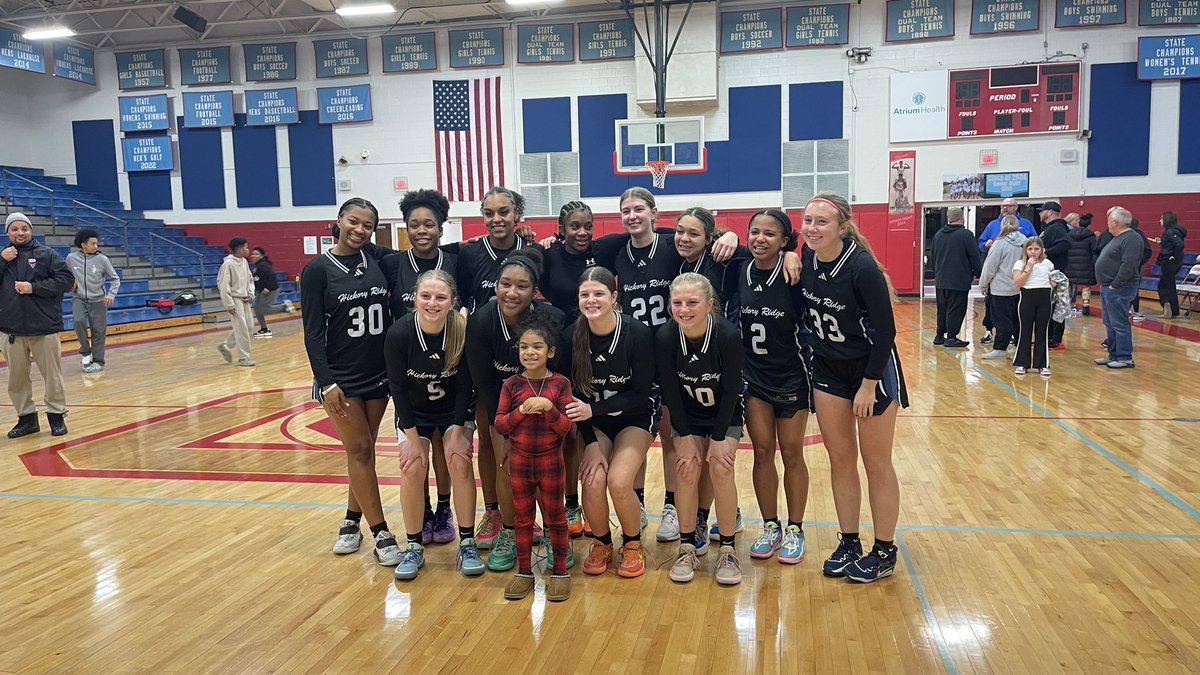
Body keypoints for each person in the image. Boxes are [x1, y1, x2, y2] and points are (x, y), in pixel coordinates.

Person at [799, 193, 909, 584]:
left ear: (842, 228)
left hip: (871, 371)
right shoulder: (806, 255)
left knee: (876, 463)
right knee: (840, 458)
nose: (812, 229)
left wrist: (868, 386)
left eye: (821, 223)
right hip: (830, 369)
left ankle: (884, 550)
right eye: (807, 221)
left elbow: (886, 333)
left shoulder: (861, 268)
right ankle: (849, 542)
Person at [300, 197, 402, 566]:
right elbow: (312, 333)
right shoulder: (318, 270)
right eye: (353, 222)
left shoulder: (378, 261)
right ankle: (381, 533)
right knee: (359, 449)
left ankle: (350, 520)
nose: (359, 229)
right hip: (340, 379)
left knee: (364, 451)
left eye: (367, 225)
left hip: (377, 374)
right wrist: (325, 382)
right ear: (339, 221)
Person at [465, 248, 565, 572]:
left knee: (553, 463)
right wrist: (506, 427)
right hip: (502, 402)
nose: (511, 292)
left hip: (547, 399)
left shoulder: (552, 319)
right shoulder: (481, 321)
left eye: (521, 285)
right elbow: (486, 384)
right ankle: (509, 531)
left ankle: (553, 532)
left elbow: (561, 377)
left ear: (534, 289)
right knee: (506, 461)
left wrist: (551, 416)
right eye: (505, 283)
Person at [384, 270, 483, 581]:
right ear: (415, 298)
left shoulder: (461, 330)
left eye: (440, 297)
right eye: (425, 296)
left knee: (459, 460)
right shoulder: (400, 333)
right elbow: (398, 389)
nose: (432, 302)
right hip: (414, 413)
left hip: (453, 410)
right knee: (412, 466)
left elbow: (466, 386)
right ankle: (413, 545)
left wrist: (457, 431)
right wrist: (412, 440)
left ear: (452, 302)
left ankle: (467, 542)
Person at [457, 187, 538, 552]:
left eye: (503, 211)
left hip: (527, 359)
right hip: (485, 358)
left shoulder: (533, 251)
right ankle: (493, 511)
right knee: (491, 439)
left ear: (517, 214)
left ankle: (530, 514)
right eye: (488, 212)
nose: (496, 219)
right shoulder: (470, 253)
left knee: (535, 442)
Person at [566, 266, 656, 578]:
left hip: (634, 418)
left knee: (619, 481)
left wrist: (595, 409)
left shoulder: (637, 334)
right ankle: (601, 542)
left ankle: (632, 544)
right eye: (585, 295)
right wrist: (589, 443)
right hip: (595, 426)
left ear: (614, 297)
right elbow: (573, 401)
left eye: (599, 294)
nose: (591, 300)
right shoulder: (571, 337)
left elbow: (642, 394)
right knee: (592, 479)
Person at [657, 273, 745, 586]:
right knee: (686, 468)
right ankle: (686, 545)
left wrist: (719, 439)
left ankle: (729, 549)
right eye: (677, 302)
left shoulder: (727, 335)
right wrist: (684, 439)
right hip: (689, 416)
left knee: (721, 468)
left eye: (692, 302)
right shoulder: (666, 336)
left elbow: (732, 391)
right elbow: (670, 392)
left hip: (724, 415)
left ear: (709, 305)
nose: (684, 309)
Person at [384, 188, 461, 545]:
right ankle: (423, 513)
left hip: (449, 366)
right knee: (413, 460)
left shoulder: (458, 259)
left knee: (449, 456)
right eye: (414, 224)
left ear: (442, 228)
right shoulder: (391, 263)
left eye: (429, 223)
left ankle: (444, 508)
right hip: (410, 375)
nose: (422, 230)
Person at [737, 209, 812, 566]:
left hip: (792, 377)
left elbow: (819, 249)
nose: (759, 239)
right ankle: (771, 526)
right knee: (763, 452)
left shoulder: (795, 271)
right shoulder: (739, 268)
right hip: (755, 378)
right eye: (754, 232)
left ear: (785, 240)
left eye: (770, 233)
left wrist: (797, 254)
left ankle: (796, 528)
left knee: (793, 453)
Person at [493, 316, 574, 602]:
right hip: (520, 462)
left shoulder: (561, 384)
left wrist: (549, 407)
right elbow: (500, 425)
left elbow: (565, 427)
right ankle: (525, 571)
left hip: (551, 461)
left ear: (550, 352)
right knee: (523, 518)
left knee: (556, 518)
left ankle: (561, 572)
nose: (529, 352)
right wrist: (522, 412)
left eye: (537, 347)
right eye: (524, 347)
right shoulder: (511, 385)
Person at [0, 212, 74, 438]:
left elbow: (67, 281)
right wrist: (2, 260)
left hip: (44, 327)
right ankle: (27, 419)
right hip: (11, 328)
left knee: (52, 376)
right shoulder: (2, 257)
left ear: (31, 230)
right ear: (7, 232)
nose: (20, 233)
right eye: (15, 229)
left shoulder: (47, 254)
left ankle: (56, 416)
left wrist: (34, 288)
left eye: (24, 228)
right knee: (17, 378)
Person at [977, 199, 1036, 343]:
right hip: (1012, 282)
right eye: (1003, 205)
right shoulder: (992, 225)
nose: (1004, 208)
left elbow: (990, 267)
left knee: (1008, 316)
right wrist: (986, 244)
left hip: (1012, 284)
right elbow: (981, 244)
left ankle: (1002, 346)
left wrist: (983, 284)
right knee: (1001, 314)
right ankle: (999, 335)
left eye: (1008, 205)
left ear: (1016, 207)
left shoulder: (1026, 227)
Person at [1094, 207, 1142, 369]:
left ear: (1115, 222)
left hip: (1120, 288)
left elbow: (1128, 264)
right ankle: (1113, 354)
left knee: (1119, 323)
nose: (1107, 223)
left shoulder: (1131, 238)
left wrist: (1116, 284)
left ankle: (1124, 357)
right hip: (1108, 286)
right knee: (1110, 322)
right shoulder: (1118, 237)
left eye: (1109, 221)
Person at [67, 228, 120, 372]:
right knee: (78, 322)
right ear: (83, 245)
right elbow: (65, 276)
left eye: (97, 243)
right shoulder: (71, 258)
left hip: (98, 301)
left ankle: (98, 361)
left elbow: (115, 279)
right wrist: (68, 284)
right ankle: (85, 352)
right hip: (79, 298)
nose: (96, 246)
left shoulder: (102, 260)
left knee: (98, 331)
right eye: (93, 243)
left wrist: (111, 294)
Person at [931, 207, 981, 348]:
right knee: (956, 308)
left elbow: (933, 257)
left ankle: (939, 335)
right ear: (962, 218)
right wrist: (977, 272)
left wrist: (937, 273)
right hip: (959, 279)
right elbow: (974, 256)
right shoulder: (966, 235)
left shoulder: (938, 235)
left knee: (942, 308)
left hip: (941, 280)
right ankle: (952, 337)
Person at [977, 216, 1024, 360]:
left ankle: (1000, 349)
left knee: (1002, 320)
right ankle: (1021, 347)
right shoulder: (1025, 241)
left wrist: (983, 284)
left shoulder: (1000, 244)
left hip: (1001, 289)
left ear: (1002, 226)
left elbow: (990, 267)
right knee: (1019, 320)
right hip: (1020, 288)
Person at [1011, 237, 1056, 377]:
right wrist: (1028, 269)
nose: (1033, 252)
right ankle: (1022, 363)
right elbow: (1018, 283)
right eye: (1030, 249)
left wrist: (1054, 282)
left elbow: (1054, 280)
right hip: (1027, 298)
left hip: (1044, 298)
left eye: (1036, 249)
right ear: (1025, 250)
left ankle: (1042, 364)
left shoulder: (1048, 263)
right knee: (1025, 331)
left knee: (1042, 331)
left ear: (1042, 250)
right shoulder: (1020, 263)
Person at [217, 237, 256, 367]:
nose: (248, 250)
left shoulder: (244, 262)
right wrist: (229, 304)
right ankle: (244, 358)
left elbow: (250, 280)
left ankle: (226, 346)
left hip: (245, 299)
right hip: (235, 300)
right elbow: (223, 285)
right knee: (242, 328)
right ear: (239, 249)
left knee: (249, 326)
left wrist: (251, 294)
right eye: (246, 247)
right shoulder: (228, 264)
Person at [1037, 201, 1070, 349]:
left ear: (1049, 212)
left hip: (1055, 274)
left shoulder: (1057, 227)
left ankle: (1056, 339)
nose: (1039, 213)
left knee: (1057, 306)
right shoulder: (1049, 228)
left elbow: (1065, 244)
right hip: (1048, 273)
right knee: (1049, 306)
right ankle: (1049, 336)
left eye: (1042, 211)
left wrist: (1047, 252)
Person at [249, 247, 292, 337]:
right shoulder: (258, 265)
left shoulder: (263, 265)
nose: (253, 256)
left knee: (264, 309)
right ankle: (264, 329)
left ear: (261, 256)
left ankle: (285, 307)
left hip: (270, 290)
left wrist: (267, 287)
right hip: (260, 290)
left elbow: (272, 276)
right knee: (257, 309)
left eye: (256, 254)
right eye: (253, 254)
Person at [1152, 211, 1187, 319]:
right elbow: (1173, 244)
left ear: (1166, 220)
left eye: (1161, 219)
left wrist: (1174, 256)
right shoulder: (1172, 231)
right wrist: (1162, 242)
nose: (1160, 221)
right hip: (1172, 261)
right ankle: (1172, 308)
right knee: (1167, 285)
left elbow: (1179, 245)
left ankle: (1168, 305)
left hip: (1169, 262)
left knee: (1166, 286)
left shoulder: (1170, 232)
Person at [1064, 213, 1098, 316]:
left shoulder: (1068, 235)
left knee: (1069, 286)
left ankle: (1068, 306)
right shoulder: (1090, 236)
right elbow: (1094, 251)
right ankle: (1085, 306)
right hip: (1086, 266)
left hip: (1070, 265)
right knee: (1086, 286)